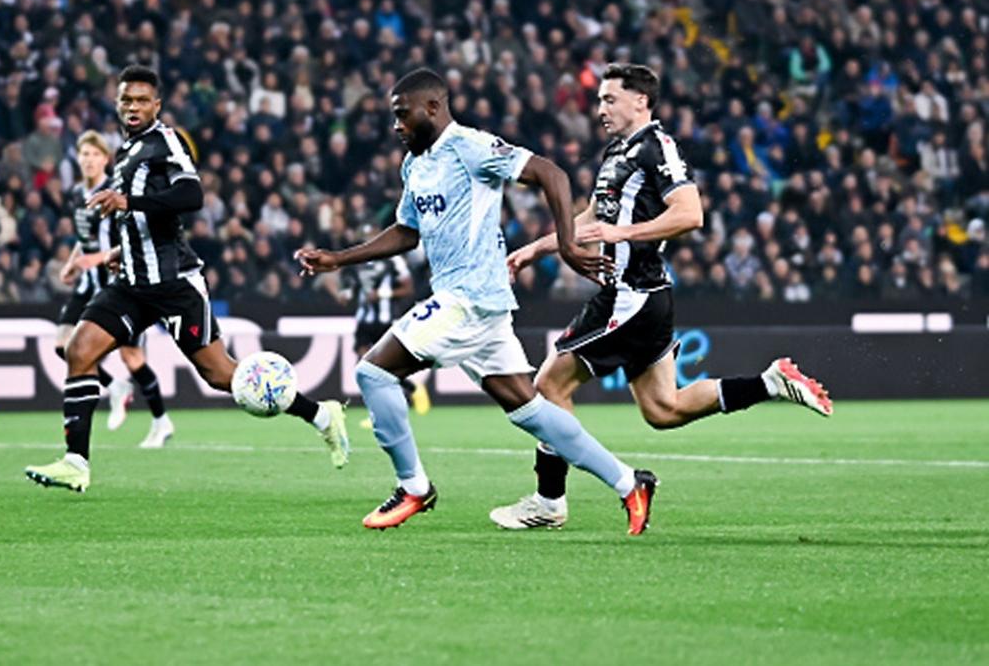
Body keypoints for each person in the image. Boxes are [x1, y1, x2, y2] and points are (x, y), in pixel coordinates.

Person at [295, 68, 658, 534]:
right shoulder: (416, 164)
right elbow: (408, 232)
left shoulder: (469, 146)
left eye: (402, 115)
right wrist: (339, 259)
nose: (396, 126)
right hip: (478, 305)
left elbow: (551, 173)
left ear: (433, 107)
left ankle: (413, 488)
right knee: (532, 412)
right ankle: (630, 484)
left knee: (373, 372)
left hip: (468, 297)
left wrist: (568, 244)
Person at [489, 64, 833, 530]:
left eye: (611, 99)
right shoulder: (618, 152)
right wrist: (534, 249)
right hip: (642, 297)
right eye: (600, 99)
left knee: (549, 386)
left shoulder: (657, 146)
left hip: (630, 295)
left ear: (641, 102)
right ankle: (770, 383)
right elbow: (592, 220)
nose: (601, 108)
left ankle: (549, 502)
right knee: (663, 409)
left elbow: (691, 213)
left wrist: (622, 232)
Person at [25, 66, 349, 493]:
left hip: (176, 283)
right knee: (78, 349)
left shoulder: (167, 141)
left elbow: (190, 196)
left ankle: (322, 416)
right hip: (132, 285)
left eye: (142, 100)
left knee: (222, 377)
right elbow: (142, 219)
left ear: (156, 105)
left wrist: (128, 200)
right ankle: (76, 463)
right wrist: (124, 250)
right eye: (126, 100)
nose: (133, 107)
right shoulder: (126, 152)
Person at [55, 130, 174, 449]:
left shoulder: (115, 192)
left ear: (105, 159)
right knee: (63, 345)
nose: (88, 160)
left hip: (117, 283)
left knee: (133, 357)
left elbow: (122, 243)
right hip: (87, 283)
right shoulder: (76, 193)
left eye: (95, 154)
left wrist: (88, 261)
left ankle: (161, 421)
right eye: (84, 155)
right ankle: (115, 388)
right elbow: (85, 239)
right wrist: (73, 261)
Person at [333, 224, 430, 424]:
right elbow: (351, 287)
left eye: (370, 235)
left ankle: (408, 393)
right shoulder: (358, 262)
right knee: (363, 366)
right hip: (364, 319)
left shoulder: (393, 260)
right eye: (364, 235)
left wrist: (383, 294)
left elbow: (408, 287)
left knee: (384, 368)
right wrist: (346, 294)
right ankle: (378, 411)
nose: (367, 239)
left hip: (386, 319)